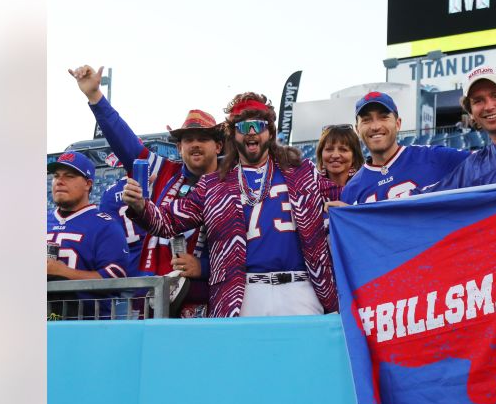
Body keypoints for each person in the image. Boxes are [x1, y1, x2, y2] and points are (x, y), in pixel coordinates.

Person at [124, 92, 337, 318]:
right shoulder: (214, 184)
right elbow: (167, 222)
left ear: (270, 132)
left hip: (301, 288)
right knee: (244, 354)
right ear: (233, 136)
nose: (252, 132)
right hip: (241, 294)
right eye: (244, 127)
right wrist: (140, 205)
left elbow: (349, 199)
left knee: (303, 353)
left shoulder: (303, 173)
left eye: (259, 125)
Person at [69, 64, 221, 316]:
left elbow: (247, 249)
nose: (194, 145)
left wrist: (203, 267)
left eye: (202, 138)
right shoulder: (163, 171)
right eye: (187, 139)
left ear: (218, 145)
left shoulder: (232, 184)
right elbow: (123, 139)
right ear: (179, 147)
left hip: (209, 304)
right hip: (152, 300)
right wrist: (95, 97)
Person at [339, 91, 470, 204]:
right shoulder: (351, 190)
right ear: (357, 129)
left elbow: (486, 165)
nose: (375, 126)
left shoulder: (434, 157)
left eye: (384, 117)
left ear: (398, 123)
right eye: (366, 120)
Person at [46, 151, 133, 318]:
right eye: (56, 176)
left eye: (69, 176)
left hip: (89, 324)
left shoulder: (106, 226)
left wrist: (64, 272)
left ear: (88, 184)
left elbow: (115, 278)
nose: (59, 182)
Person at [316, 124, 362, 195]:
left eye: (343, 150)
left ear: (354, 156)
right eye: (329, 149)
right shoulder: (309, 190)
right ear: (320, 154)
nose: (335, 155)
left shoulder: (365, 187)